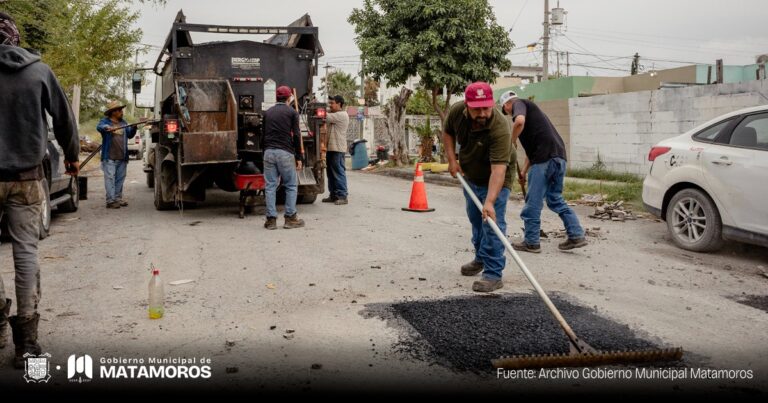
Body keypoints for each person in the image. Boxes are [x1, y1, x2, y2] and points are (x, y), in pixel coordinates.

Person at [0, 12, 79, 368]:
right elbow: (64, 120)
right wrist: (73, 159)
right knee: (25, 253)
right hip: (28, 178)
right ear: (15, 37)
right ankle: (26, 345)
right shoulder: (39, 71)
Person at [443, 82, 515, 293]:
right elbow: (447, 133)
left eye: (486, 107)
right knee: (476, 218)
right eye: (477, 109)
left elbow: (499, 170)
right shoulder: (457, 111)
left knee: (491, 222)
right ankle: (480, 258)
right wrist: (452, 160)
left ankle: (493, 273)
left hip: (496, 177)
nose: (482, 113)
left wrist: (490, 201)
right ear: (467, 105)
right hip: (471, 173)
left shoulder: (500, 127)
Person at [499, 90, 587, 253]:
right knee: (554, 199)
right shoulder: (534, 116)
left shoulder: (519, 104)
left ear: (506, 105)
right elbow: (532, 153)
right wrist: (524, 172)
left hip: (544, 160)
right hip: (558, 158)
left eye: (505, 111)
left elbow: (518, 121)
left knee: (532, 203)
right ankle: (576, 234)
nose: (507, 113)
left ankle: (531, 242)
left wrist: (510, 141)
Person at [262, 85, 305, 230]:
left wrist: (265, 152)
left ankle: (271, 220)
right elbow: (297, 135)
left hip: (269, 152)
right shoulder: (292, 113)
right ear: (289, 98)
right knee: (291, 185)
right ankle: (290, 218)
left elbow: (263, 135)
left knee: (270, 186)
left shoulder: (267, 113)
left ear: (276, 97)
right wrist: (299, 156)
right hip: (285, 153)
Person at [96, 101, 143, 209]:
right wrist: (107, 127)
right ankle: (110, 201)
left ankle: (117, 198)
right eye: (119, 110)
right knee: (110, 179)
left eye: (121, 110)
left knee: (119, 179)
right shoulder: (105, 122)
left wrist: (134, 128)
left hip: (122, 157)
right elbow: (100, 127)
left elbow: (130, 135)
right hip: (109, 158)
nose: (121, 112)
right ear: (113, 112)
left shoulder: (123, 123)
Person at [322, 95, 350, 205]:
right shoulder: (335, 114)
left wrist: (320, 108)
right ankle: (333, 195)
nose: (330, 105)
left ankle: (342, 195)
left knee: (338, 172)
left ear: (339, 104)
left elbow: (325, 116)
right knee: (330, 173)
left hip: (337, 148)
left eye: (332, 103)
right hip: (331, 148)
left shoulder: (342, 115)